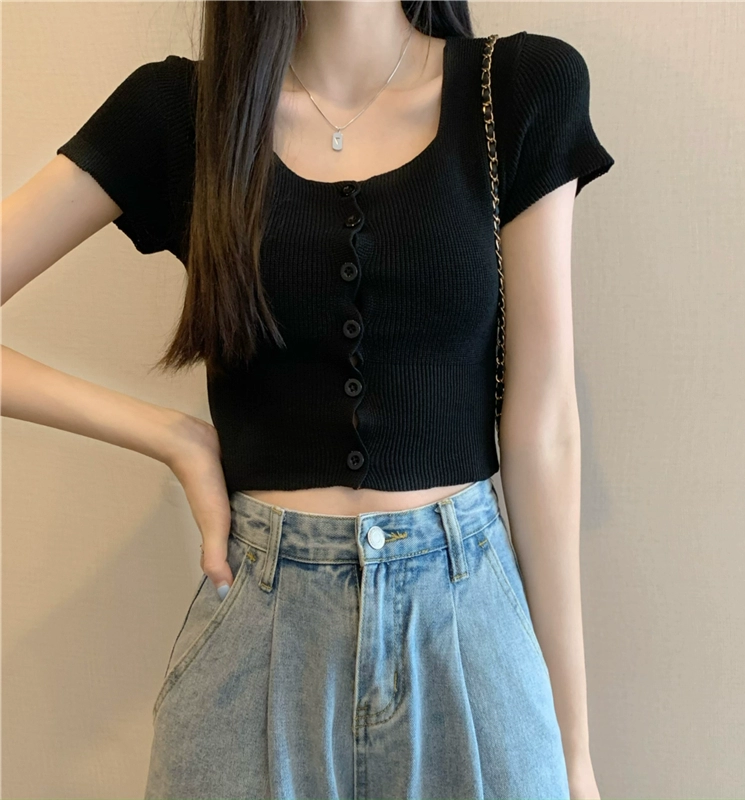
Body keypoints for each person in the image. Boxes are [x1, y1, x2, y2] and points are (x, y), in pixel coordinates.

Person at [2, 1, 615, 798]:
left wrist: (573, 750)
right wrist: (172, 436)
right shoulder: (182, 114)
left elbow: (544, 428)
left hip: (470, 632)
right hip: (256, 639)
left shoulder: (520, 90)